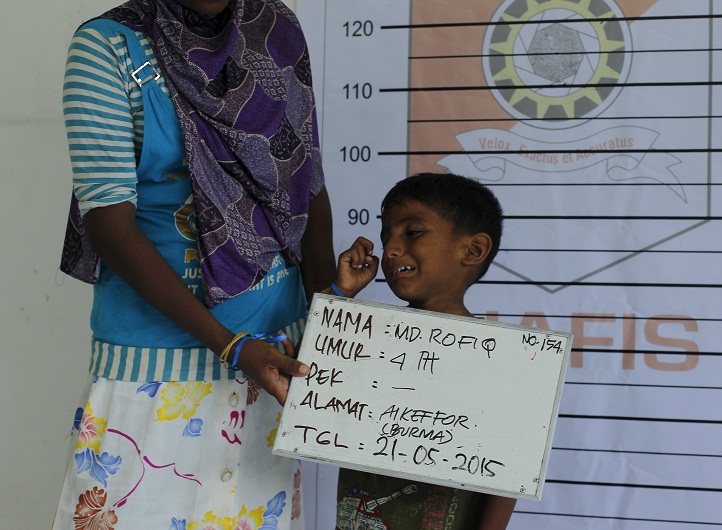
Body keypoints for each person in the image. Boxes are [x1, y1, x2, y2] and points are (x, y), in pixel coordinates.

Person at [53, 1, 334, 528]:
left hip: (276, 354)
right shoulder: (106, 47)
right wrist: (230, 345)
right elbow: (109, 223)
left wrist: (330, 314)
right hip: (158, 369)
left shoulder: (276, 26)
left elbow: (308, 177)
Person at [330, 172, 517, 529]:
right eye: (387, 237)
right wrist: (341, 296)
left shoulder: (502, 360)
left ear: (473, 250)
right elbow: (312, 391)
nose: (392, 249)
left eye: (412, 232)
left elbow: (509, 473)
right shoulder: (366, 342)